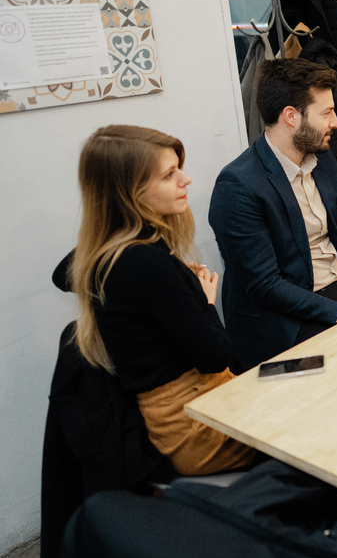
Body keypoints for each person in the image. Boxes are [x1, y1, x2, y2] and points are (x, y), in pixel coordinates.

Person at [61, 125, 254, 476]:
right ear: (128, 193)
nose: (186, 179)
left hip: (182, 413)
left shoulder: (104, 253)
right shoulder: (145, 264)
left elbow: (62, 273)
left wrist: (179, 289)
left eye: (179, 168)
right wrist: (206, 302)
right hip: (197, 429)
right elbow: (215, 357)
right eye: (169, 175)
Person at [209, 58, 337, 372]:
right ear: (291, 116)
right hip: (287, 318)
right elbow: (266, 285)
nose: (335, 122)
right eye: (326, 112)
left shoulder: (324, 158)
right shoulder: (238, 185)